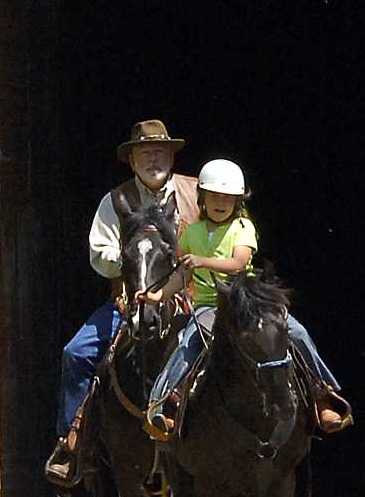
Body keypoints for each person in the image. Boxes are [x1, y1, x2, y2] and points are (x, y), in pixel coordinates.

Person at [140, 158, 352, 440]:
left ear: (238, 201)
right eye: (214, 196)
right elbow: (182, 276)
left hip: (246, 301)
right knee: (188, 343)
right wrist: (158, 295)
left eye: (228, 198)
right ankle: (166, 402)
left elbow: (239, 263)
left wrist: (202, 260)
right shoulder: (191, 233)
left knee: (295, 331)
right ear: (202, 197)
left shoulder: (243, 227)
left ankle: (322, 393)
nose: (220, 202)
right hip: (209, 306)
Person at [45, 120, 201, 487]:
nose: (153, 159)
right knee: (76, 353)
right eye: (145, 152)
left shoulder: (199, 191)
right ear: (131, 160)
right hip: (131, 301)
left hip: (194, 300)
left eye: (160, 151)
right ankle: (73, 442)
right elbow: (100, 254)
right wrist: (135, 263)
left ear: (172, 156)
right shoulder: (114, 201)